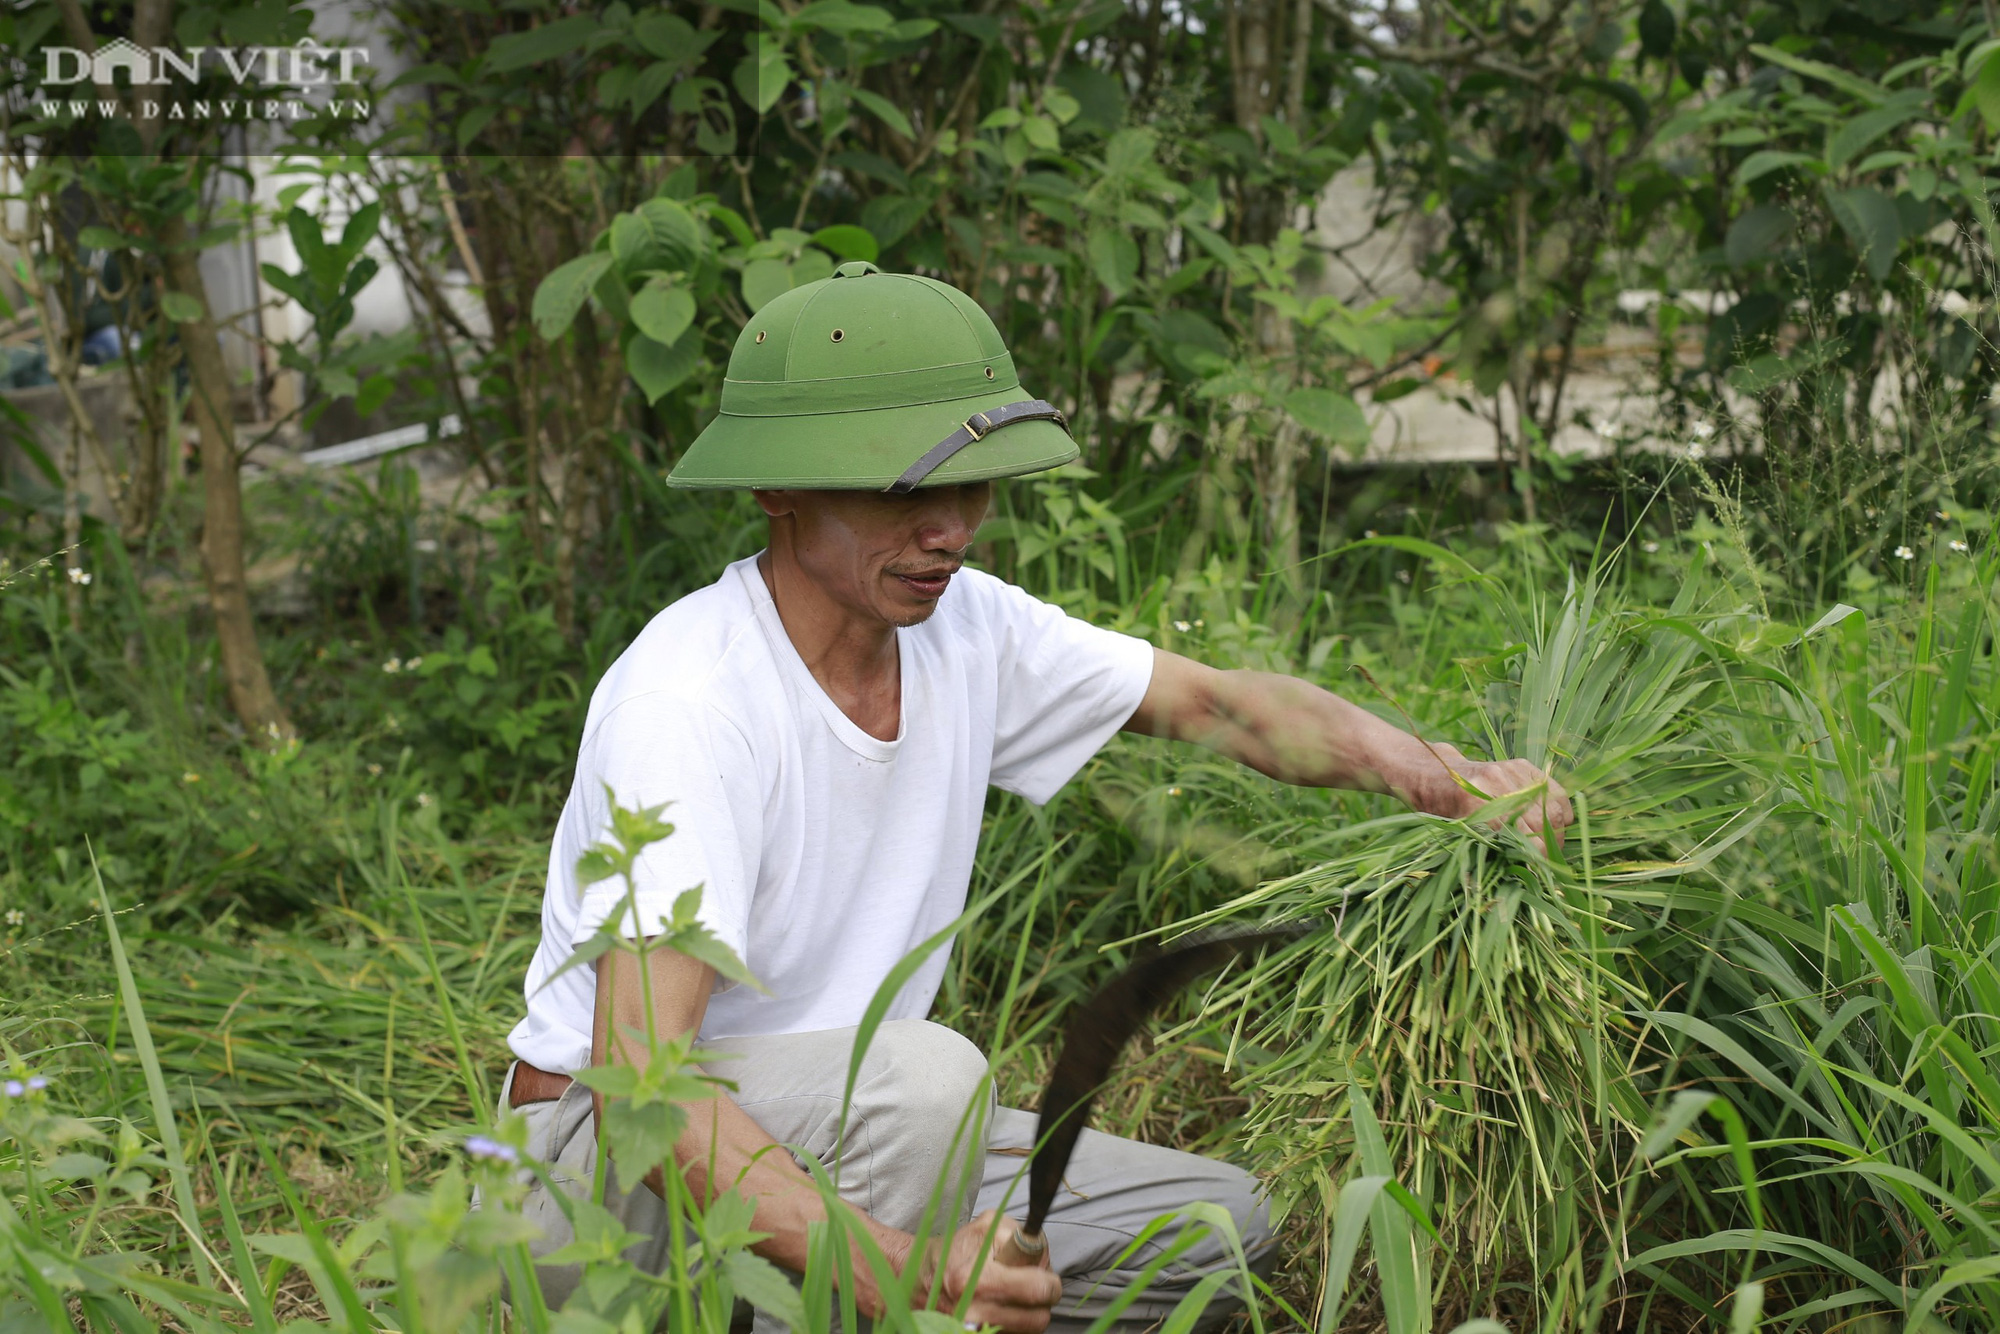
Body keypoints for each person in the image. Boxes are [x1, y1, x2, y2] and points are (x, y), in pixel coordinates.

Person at [499, 261, 1573, 1331]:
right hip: (592, 1183)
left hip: (851, 1139)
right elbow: (642, 1076)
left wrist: (1437, 773)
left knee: (1219, 1228)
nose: (952, 529)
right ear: (776, 489)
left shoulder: (965, 628)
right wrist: (893, 1268)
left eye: (972, 486)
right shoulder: (690, 703)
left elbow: (1218, 704)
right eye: (905, 489)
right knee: (925, 1084)